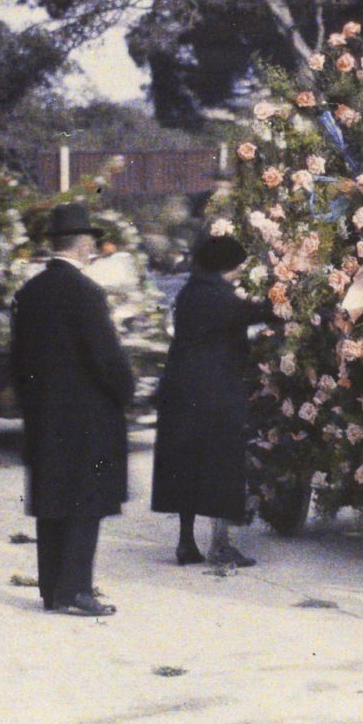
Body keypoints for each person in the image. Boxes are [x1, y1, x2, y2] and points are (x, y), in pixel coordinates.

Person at [10, 203, 138, 617]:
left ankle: (52, 589)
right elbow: (106, 358)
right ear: (83, 244)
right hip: (87, 416)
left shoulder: (30, 292)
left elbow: (18, 360)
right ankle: (76, 588)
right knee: (86, 502)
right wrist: (126, 391)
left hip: (44, 414)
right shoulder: (86, 293)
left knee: (51, 500)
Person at [151, 230, 274, 567]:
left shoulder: (190, 292)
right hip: (214, 392)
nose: (239, 273)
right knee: (221, 465)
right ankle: (220, 546)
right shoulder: (218, 297)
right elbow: (258, 313)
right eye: (237, 267)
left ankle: (186, 542)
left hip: (181, 390)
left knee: (186, 467)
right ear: (225, 266)